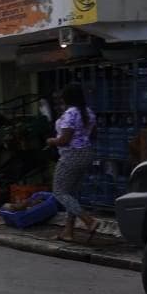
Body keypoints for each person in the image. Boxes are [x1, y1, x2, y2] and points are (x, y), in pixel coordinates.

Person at [47, 83, 99, 244]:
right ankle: (68, 231)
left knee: (60, 192)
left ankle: (88, 220)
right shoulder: (88, 112)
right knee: (72, 193)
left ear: (67, 97)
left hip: (71, 156)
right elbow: (93, 134)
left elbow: (64, 140)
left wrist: (51, 141)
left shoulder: (70, 113)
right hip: (86, 154)